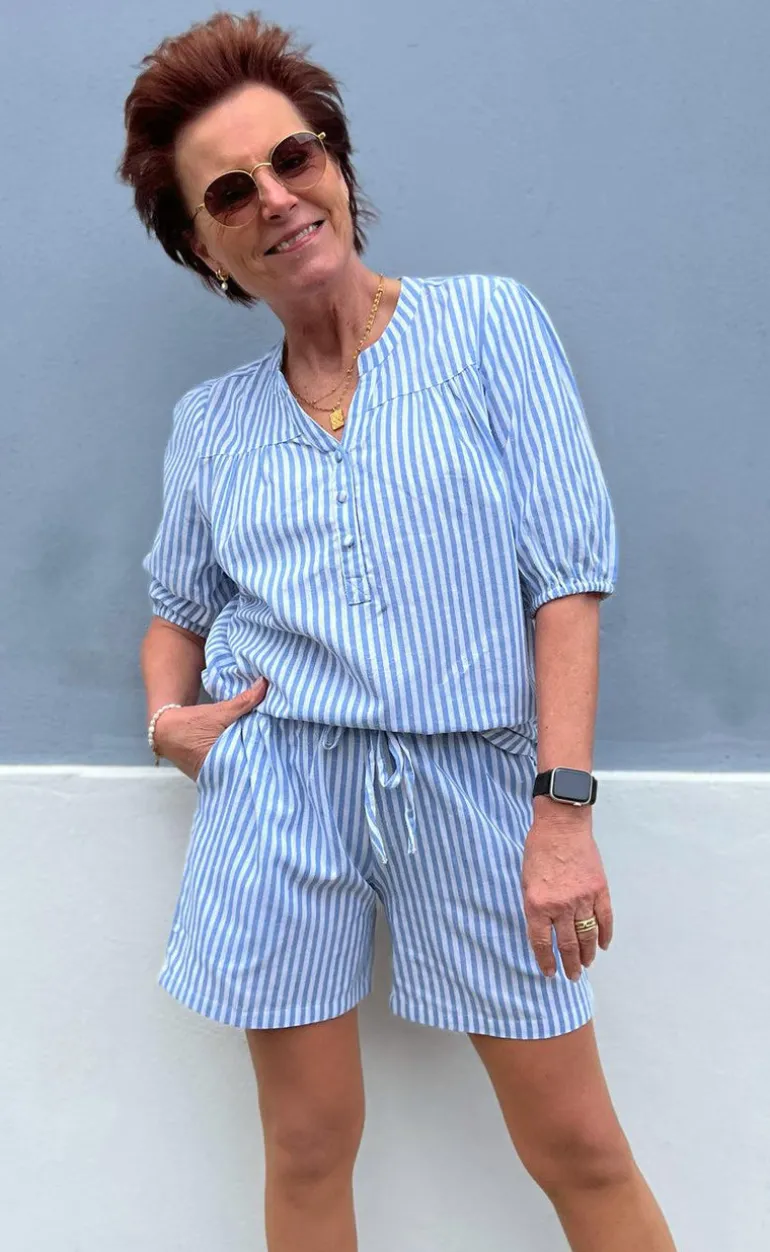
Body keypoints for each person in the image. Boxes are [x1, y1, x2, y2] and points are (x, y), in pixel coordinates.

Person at [120, 12, 675, 1251]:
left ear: (336, 166)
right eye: (230, 191)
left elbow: (566, 580)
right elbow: (175, 611)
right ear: (205, 247)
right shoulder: (210, 425)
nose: (277, 197)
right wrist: (168, 721)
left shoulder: (487, 327)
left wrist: (562, 811)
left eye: (295, 157)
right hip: (278, 792)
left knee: (577, 1144)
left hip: (477, 785)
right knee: (307, 1145)